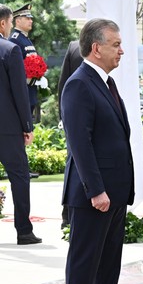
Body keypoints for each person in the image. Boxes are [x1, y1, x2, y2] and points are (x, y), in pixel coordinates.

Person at [61, 18, 136, 284]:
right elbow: (80, 143)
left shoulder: (105, 82)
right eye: (116, 44)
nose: (121, 50)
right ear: (96, 48)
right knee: (85, 261)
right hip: (94, 193)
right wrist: (97, 190)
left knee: (108, 261)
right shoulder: (79, 84)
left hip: (115, 191)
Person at [0, 4, 41, 245]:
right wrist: (28, 125)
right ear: (4, 23)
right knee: (19, 177)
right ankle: (24, 231)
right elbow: (19, 93)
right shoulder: (10, 50)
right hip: (7, 128)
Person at [57, 40, 84, 228]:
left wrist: (63, 115)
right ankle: (68, 214)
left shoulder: (74, 46)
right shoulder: (76, 47)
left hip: (74, 116)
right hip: (84, 117)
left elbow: (62, 85)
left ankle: (68, 215)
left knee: (73, 164)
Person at [9, 4, 41, 118]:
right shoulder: (14, 39)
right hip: (22, 93)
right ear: (17, 21)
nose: (31, 21)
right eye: (27, 18)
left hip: (30, 92)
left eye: (31, 18)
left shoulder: (25, 39)